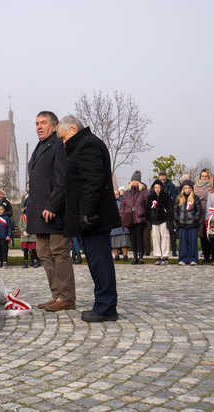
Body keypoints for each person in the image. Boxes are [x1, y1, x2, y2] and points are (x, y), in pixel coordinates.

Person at [58, 115, 119, 322]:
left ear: (73, 129)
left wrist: (87, 213)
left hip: (94, 218)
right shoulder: (85, 144)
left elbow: (92, 182)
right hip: (91, 216)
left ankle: (106, 307)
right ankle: (103, 304)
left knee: (100, 262)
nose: (63, 143)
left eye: (64, 138)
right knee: (97, 262)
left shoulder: (88, 146)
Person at [27, 111, 75, 311]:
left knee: (59, 253)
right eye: (37, 123)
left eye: (43, 123)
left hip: (54, 212)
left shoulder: (58, 145)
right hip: (39, 213)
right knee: (44, 253)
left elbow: (62, 179)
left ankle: (67, 297)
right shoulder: (39, 146)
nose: (39, 126)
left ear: (54, 126)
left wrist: (53, 205)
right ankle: (56, 295)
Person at [120, 171, 148, 264]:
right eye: (133, 180)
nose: (134, 182)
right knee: (132, 238)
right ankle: (135, 256)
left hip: (140, 218)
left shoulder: (143, 192)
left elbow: (146, 204)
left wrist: (144, 213)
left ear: (139, 181)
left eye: (136, 180)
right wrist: (123, 215)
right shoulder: (127, 193)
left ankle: (141, 256)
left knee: (140, 237)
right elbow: (122, 206)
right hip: (130, 218)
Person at [173, 180, 201, 265]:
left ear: (192, 189)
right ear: (183, 189)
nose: (187, 189)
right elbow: (175, 210)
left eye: (189, 188)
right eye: (185, 188)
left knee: (193, 243)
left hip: (192, 225)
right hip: (182, 225)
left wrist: (194, 219)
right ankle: (183, 259)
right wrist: (178, 220)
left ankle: (193, 259)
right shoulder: (179, 198)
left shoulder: (195, 198)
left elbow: (198, 210)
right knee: (183, 243)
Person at [148, 179, 172, 265]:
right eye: (155, 187)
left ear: (161, 188)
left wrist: (168, 218)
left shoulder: (166, 196)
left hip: (163, 220)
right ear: (153, 188)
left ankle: (165, 256)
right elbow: (148, 210)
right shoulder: (150, 197)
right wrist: (149, 220)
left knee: (165, 237)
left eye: (158, 187)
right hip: (154, 220)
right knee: (155, 238)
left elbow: (170, 208)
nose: (157, 189)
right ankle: (158, 256)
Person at [194, 169, 213, 263]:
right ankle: (206, 256)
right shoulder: (196, 186)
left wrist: (202, 196)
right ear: (200, 177)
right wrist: (204, 196)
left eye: (206, 176)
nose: (204, 178)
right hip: (200, 213)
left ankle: (213, 255)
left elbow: (210, 196)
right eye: (203, 176)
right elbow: (195, 196)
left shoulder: (212, 186)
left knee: (211, 235)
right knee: (202, 236)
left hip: (210, 212)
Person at [158, 172, 179, 256]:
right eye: (161, 179)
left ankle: (173, 250)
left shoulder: (171, 186)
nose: (162, 181)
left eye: (164, 179)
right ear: (159, 178)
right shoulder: (156, 185)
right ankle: (161, 251)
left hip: (170, 212)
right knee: (160, 233)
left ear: (166, 178)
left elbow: (175, 197)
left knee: (171, 232)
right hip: (159, 213)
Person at [111, 190, 131, 261]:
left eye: (117, 194)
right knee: (113, 242)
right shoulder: (109, 203)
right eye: (114, 194)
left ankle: (125, 256)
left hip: (122, 224)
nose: (115, 195)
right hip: (113, 225)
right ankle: (116, 256)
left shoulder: (123, 202)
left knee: (124, 242)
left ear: (119, 195)